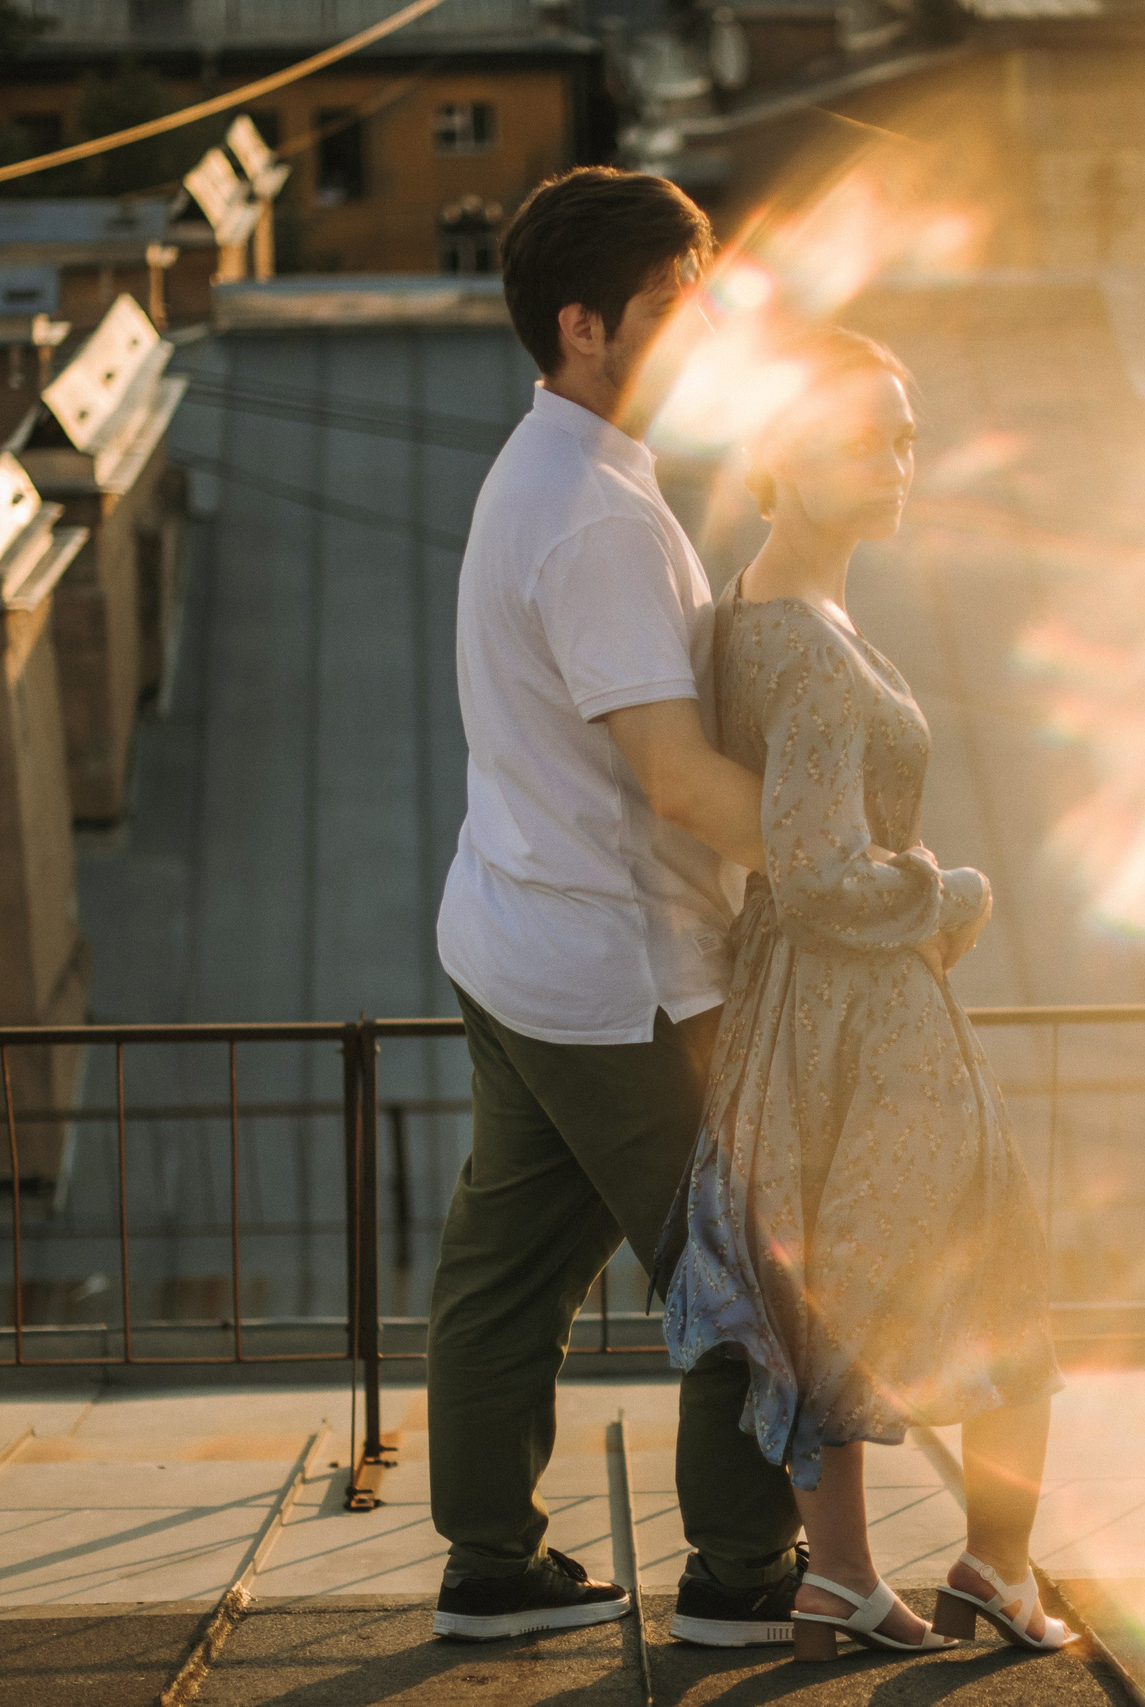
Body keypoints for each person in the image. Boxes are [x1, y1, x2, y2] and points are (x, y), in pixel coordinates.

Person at [427, 166, 805, 1646]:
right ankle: (738, 1577)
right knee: (748, 1271)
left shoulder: (554, 470)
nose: (701, 329)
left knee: (506, 1268)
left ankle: (491, 1566)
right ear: (582, 327)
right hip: (616, 970)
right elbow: (676, 780)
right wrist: (834, 873)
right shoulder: (592, 515)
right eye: (668, 307)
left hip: (516, 941)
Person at [658, 329, 1073, 1662]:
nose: (899, 461)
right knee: (1002, 1267)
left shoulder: (756, 612)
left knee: (833, 1277)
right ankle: (998, 1567)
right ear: (782, 453)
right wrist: (952, 896)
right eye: (864, 437)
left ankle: (842, 1572)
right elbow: (825, 871)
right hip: (867, 1005)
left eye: (904, 434)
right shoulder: (813, 654)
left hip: (807, 1003)